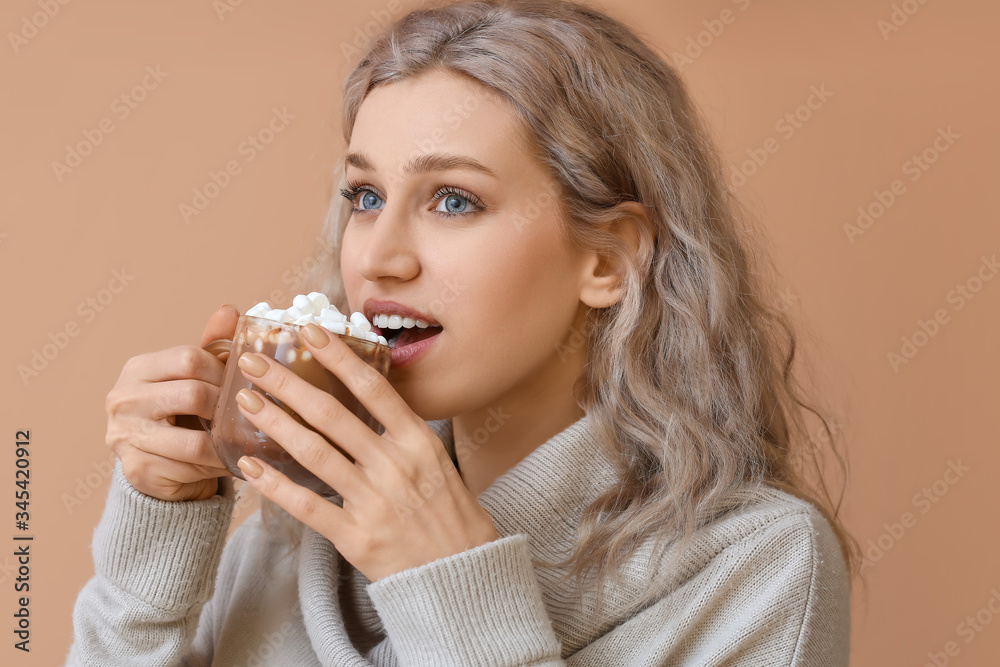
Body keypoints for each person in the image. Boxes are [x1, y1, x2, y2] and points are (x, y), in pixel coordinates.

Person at [66, 0, 860, 664]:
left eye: (453, 200)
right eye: (365, 196)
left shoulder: (758, 566)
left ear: (610, 257)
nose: (377, 258)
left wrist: (446, 584)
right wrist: (152, 558)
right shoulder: (287, 533)